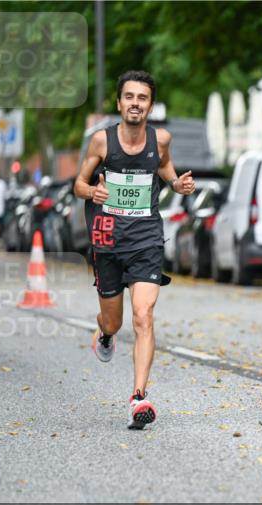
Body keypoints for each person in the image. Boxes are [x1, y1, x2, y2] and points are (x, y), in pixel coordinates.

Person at [74, 70, 195, 429]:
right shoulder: (101, 142)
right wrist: (92, 192)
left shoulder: (161, 140)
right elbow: (78, 183)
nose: (135, 104)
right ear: (119, 103)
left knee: (144, 315)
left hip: (146, 239)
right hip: (108, 240)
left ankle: (139, 397)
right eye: (129, 97)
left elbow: (166, 167)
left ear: (150, 105)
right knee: (115, 320)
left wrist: (177, 183)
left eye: (142, 98)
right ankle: (105, 334)